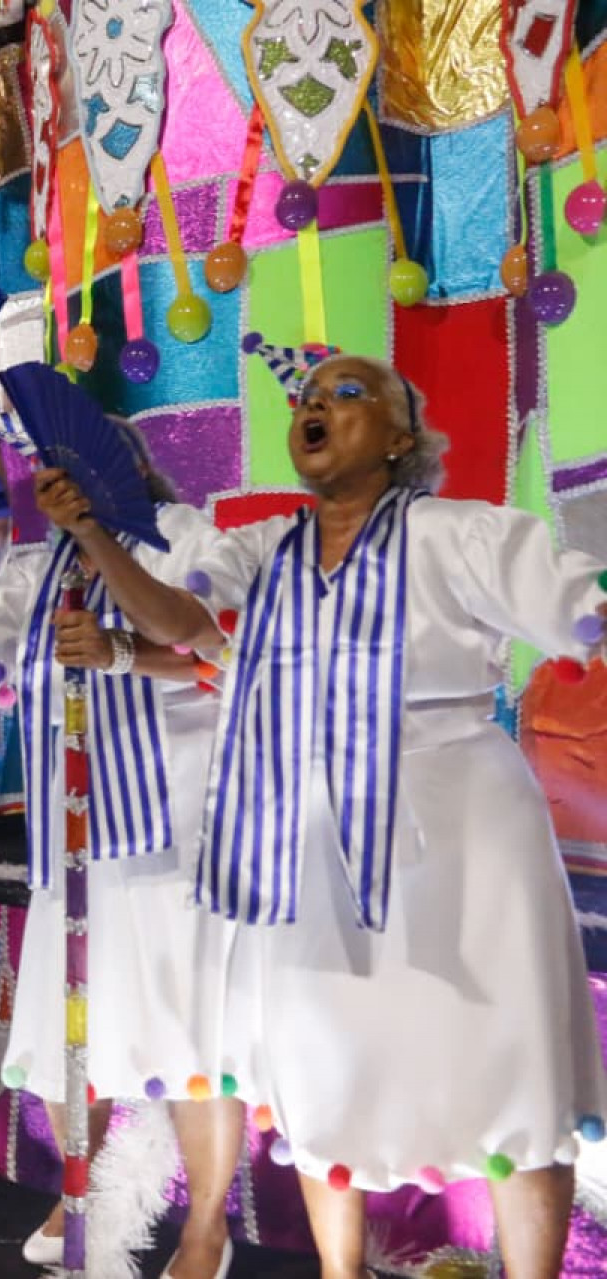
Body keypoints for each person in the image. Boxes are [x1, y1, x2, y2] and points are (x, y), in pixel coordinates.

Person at [30, 352, 607, 1279]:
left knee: (509, 1067)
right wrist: (93, 535)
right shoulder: (264, 549)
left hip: (460, 823)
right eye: (305, 397)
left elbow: (584, 608)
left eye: (347, 393)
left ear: (402, 437)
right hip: (306, 834)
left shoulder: (461, 532)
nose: (315, 406)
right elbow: (180, 623)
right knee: (324, 1063)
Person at [0, 417, 243, 1278]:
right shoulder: (36, 571)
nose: (64, 482)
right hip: (72, 836)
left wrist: (119, 647)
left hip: (175, 827)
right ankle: (82, 1191)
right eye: (54, 471)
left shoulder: (187, 537)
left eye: (83, 467)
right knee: (77, 1027)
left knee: (194, 1036)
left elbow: (212, 647)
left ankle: (205, 1227)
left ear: (129, 468)